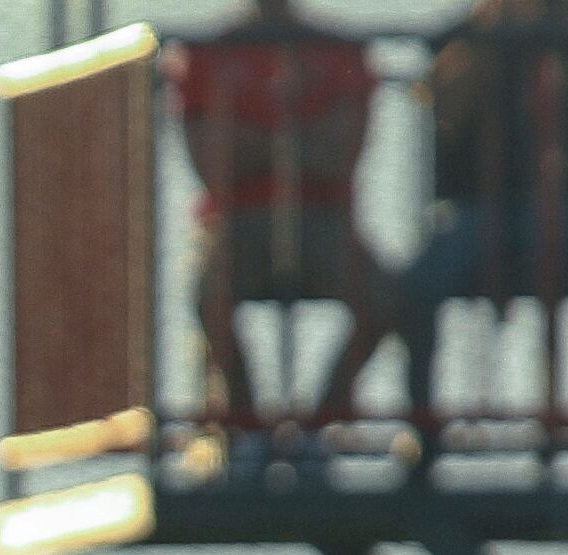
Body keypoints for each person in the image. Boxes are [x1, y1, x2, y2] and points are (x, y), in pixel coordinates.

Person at [394, 0, 568, 447]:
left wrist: (554, 19)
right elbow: (438, 97)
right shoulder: (468, 33)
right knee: (413, 289)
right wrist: (489, 38)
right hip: (478, 212)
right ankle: (422, 441)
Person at [170, 0, 400, 430]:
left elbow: (339, 152)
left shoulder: (339, 50)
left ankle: (320, 425)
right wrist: (300, 140)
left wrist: (257, 142)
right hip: (237, 222)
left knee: (383, 298)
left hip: (324, 221)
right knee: (210, 293)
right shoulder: (206, 52)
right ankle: (246, 424)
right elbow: (212, 163)